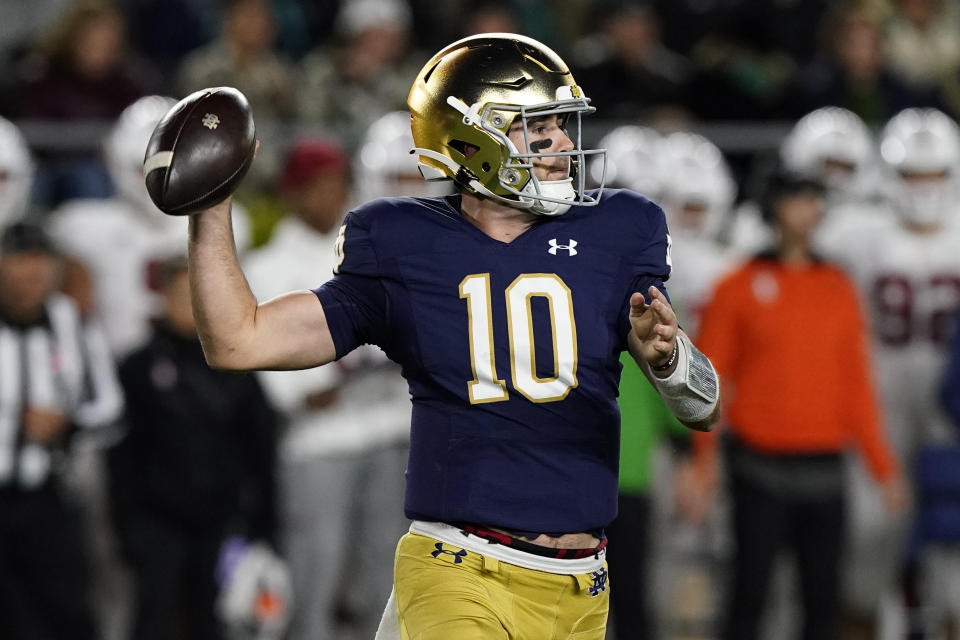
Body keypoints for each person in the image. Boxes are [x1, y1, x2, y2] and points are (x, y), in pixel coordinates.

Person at [183, 33, 721, 640]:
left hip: (582, 585)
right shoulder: (403, 242)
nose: (566, 144)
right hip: (463, 570)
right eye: (540, 127)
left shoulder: (620, 227)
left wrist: (672, 358)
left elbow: (704, 407)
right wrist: (211, 209)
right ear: (474, 141)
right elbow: (238, 341)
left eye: (565, 125)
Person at [691, 170, 907, 640]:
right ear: (774, 210)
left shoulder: (837, 287)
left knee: (823, 603)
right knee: (749, 596)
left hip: (826, 469)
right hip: (758, 467)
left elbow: (855, 384)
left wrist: (883, 467)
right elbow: (708, 383)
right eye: (798, 200)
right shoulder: (738, 285)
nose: (809, 210)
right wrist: (703, 462)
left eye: (814, 201)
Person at [243, 135, 411, 640]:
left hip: (387, 430)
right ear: (292, 192)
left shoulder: (371, 250)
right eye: (317, 185)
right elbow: (275, 368)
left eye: (338, 183)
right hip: (316, 440)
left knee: (392, 571)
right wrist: (336, 373)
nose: (330, 195)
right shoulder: (265, 265)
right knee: (315, 570)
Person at [823, 107, 960, 640]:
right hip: (876, 402)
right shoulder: (854, 232)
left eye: (934, 174)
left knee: (952, 544)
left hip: (951, 405)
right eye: (911, 174)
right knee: (869, 535)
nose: (923, 187)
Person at [107, 253, 282, 640]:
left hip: (223, 522)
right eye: (180, 290)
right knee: (153, 618)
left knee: (220, 621)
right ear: (162, 296)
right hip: (157, 523)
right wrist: (128, 528)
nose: (190, 300)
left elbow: (261, 447)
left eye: (198, 290)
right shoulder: (137, 367)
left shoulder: (238, 363)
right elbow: (120, 456)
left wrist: (265, 526)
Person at [0, 220, 124, 640]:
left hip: (48, 497)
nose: (29, 273)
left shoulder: (71, 322)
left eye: (39, 260)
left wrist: (66, 426)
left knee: (66, 613)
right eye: (18, 259)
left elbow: (110, 409)